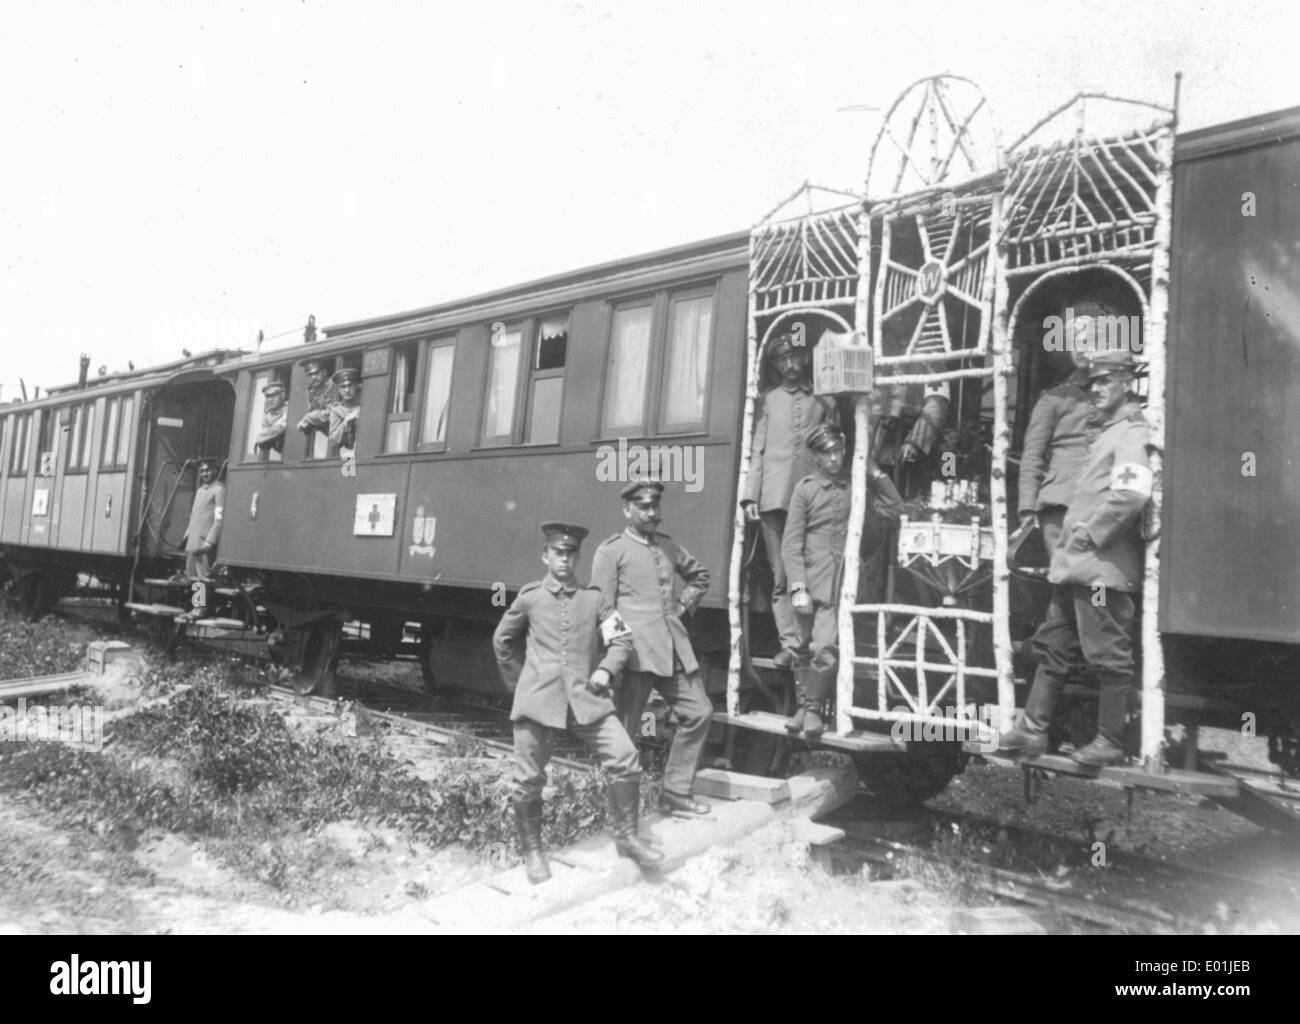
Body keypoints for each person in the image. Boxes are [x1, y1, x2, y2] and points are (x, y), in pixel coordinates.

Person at [998, 349, 1152, 766]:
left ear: (1126, 383)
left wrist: (1088, 535)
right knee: (1053, 646)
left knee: (1107, 654)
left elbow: (1131, 495)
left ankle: (1109, 740)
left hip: (1099, 574)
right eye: (1093, 382)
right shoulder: (1109, 431)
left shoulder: (1131, 433)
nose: (1096, 389)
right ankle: (1033, 730)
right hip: (1075, 570)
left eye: (1105, 382)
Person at [492, 523, 663, 883]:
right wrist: (523, 686)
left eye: (571, 554)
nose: (564, 559)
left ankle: (627, 837)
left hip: (586, 700)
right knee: (528, 780)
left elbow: (622, 640)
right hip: (538, 703)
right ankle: (533, 852)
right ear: (545, 556)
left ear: (578, 557)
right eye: (558, 553)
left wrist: (605, 670)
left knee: (625, 757)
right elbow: (502, 641)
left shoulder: (595, 599)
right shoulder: (530, 597)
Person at [591, 481, 714, 816]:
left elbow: (700, 576)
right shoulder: (611, 550)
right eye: (643, 507)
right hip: (633, 655)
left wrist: (680, 608)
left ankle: (675, 793)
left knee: (699, 712)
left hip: (671, 649)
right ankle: (614, 807)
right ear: (627, 510)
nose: (651, 513)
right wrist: (617, 649)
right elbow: (602, 605)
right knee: (625, 733)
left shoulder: (668, 546)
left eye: (655, 506)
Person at [782, 424, 902, 737]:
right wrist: (798, 590)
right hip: (808, 580)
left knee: (825, 646)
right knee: (800, 647)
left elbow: (894, 508)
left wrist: (873, 472)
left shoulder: (855, 487)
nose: (835, 458)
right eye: (827, 453)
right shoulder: (805, 490)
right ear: (816, 457)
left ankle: (811, 710)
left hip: (840, 582)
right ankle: (802, 708)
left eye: (838, 451)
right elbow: (790, 546)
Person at [740, 331, 839, 666]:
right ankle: (791, 641)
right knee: (781, 574)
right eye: (783, 360)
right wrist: (750, 495)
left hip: (812, 495)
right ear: (777, 365)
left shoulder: (822, 399)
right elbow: (757, 450)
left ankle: (812, 640)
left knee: (810, 569)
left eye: (796, 357)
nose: (791, 365)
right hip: (773, 496)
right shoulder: (768, 400)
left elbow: (834, 443)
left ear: (806, 359)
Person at [1018, 320, 1096, 552]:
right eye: (1076, 342)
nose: (1081, 348)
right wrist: (1027, 508)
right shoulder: (1054, 398)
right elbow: (1033, 455)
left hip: (1105, 502)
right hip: (1061, 504)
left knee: (1098, 581)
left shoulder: (1115, 395)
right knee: (1064, 579)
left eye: (1088, 341)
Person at [182, 458, 225, 580]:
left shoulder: (219, 490)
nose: (204, 474)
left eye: (208, 470)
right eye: (202, 471)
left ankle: (201, 600)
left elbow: (219, 519)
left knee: (203, 579)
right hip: (192, 542)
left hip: (204, 544)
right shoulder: (200, 491)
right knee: (192, 578)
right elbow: (194, 515)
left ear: (215, 471)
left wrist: (209, 542)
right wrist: (187, 537)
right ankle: (194, 600)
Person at [296, 358, 335, 447]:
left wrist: (307, 418)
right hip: (325, 435)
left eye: (316, 373)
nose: (313, 377)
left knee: (348, 458)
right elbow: (311, 410)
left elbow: (332, 412)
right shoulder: (310, 389)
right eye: (310, 374)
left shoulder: (332, 385)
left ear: (324, 372)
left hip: (341, 434)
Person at [327, 367, 362, 456]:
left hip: (365, 452)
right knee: (348, 467)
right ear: (338, 389)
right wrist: (345, 423)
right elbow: (333, 441)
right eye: (343, 386)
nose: (346, 390)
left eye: (350, 385)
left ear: (356, 386)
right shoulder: (336, 410)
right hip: (348, 454)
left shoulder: (364, 406)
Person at [253, 380, 288, 459]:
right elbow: (262, 437)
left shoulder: (289, 409)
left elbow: (278, 428)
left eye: (273, 396)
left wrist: (268, 434)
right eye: (267, 397)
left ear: (282, 395)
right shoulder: (268, 415)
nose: (270, 400)